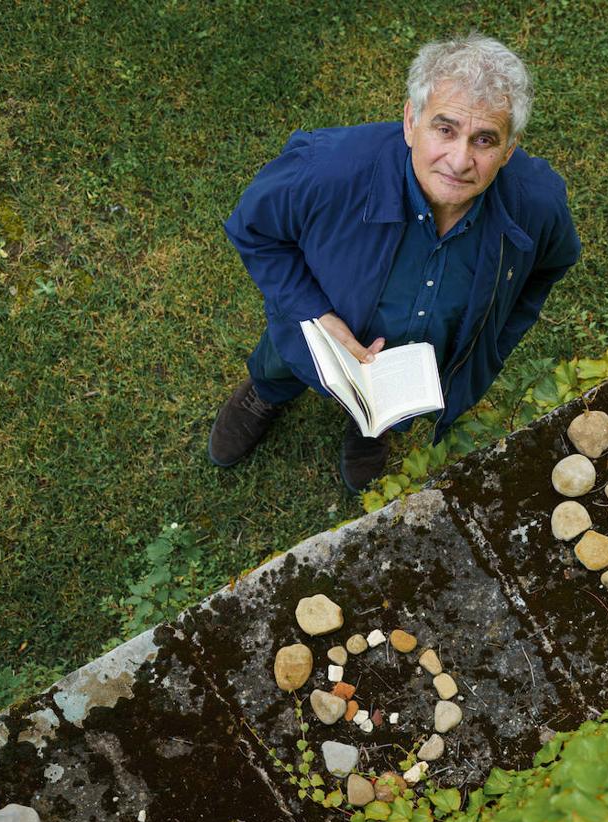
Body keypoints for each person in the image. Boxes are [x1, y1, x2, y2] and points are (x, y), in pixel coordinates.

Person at [208, 33, 580, 491]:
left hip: (418, 364)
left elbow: (548, 268)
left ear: (509, 149)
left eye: (484, 140)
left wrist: (496, 340)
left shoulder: (538, 204)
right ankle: (265, 394)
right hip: (316, 328)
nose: (460, 160)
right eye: (444, 129)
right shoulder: (326, 171)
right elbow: (255, 230)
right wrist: (316, 315)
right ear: (410, 122)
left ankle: (374, 427)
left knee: (391, 407)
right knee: (282, 360)